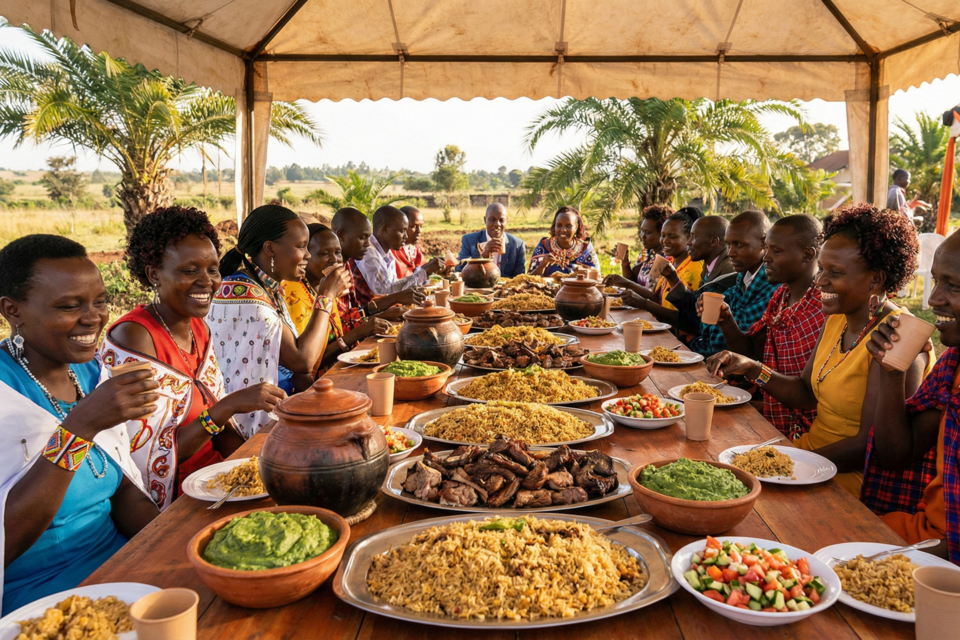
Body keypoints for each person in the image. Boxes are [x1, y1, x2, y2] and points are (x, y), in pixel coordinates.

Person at [707, 203, 931, 496]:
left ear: (876, 279)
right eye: (822, 268)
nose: (820, 280)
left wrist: (786, 464)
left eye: (834, 272)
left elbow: (870, 445)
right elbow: (804, 393)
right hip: (806, 458)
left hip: (845, 480)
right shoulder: (836, 319)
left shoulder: (895, 336)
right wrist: (752, 368)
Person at [0, 235, 159, 614]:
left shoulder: (90, 374)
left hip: (121, 567)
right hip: (44, 599)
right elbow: (7, 540)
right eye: (70, 306)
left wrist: (173, 545)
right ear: (12, 310)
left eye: (100, 301)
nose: (94, 317)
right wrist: (78, 430)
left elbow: (122, 487)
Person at [102, 207, 285, 510]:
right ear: (153, 275)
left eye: (212, 269)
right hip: (173, 499)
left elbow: (220, 431)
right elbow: (146, 458)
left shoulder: (198, 327)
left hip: (214, 481)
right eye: (189, 271)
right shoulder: (135, 337)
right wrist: (230, 406)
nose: (207, 282)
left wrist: (258, 468)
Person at [209, 205, 351, 438]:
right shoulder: (247, 297)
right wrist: (325, 297)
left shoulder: (263, 286)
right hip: (245, 430)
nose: (307, 255)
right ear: (270, 248)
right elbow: (303, 360)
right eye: (301, 247)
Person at [861, 230, 960, 562]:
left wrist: (891, 564)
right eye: (935, 282)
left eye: (954, 286)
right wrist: (892, 374)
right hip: (924, 535)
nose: (933, 299)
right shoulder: (953, 365)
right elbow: (896, 455)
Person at [709, 214, 826, 439]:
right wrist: (726, 320)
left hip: (805, 430)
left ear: (808, 254)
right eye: (767, 249)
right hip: (776, 414)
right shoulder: (782, 296)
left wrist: (754, 369)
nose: (766, 259)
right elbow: (752, 353)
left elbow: (806, 395)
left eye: (776, 251)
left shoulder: (821, 308)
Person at [283, 223, 395, 376]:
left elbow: (339, 325)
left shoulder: (323, 285)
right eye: (324, 253)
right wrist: (357, 334)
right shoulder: (294, 294)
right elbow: (309, 362)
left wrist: (376, 318)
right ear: (305, 256)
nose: (334, 260)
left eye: (338, 252)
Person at [689, 211, 779, 357]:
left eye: (738, 244)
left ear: (764, 243)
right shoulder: (743, 277)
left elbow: (746, 342)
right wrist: (705, 302)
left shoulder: (773, 286)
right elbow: (723, 306)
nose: (730, 253)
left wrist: (723, 317)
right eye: (728, 244)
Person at [609, 208, 703, 335]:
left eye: (672, 236)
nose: (665, 240)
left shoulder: (694, 268)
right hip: (659, 326)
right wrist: (627, 283)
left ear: (688, 238)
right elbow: (655, 296)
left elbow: (688, 319)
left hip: (678, 335)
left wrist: (643, 303)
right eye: (663, 235)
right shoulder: (667, 260)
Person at [331, 207, 423, 336]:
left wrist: (386, 312)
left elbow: (354, 312)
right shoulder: (332, 274)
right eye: (362, 238)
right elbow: (338, 326)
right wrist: (383, 314)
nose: (368, 244)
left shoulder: (345, 267)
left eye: (368, 238)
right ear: (341, 235)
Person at [344, 206, 444, 308]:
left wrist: (417, 285)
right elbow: (386, 292)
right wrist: (425, 271)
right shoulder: (368, 254)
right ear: (385, 229)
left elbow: (393, 285)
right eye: (402, 231)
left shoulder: (387, 253)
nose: (405, 236)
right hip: (368, 317)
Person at [665, 215, 737, 337]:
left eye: (693, 237)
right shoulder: (708, 264)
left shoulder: (728, 272)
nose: (688, 243)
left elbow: (699, 318)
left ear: (713, 241)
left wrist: (645, 304)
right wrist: (673, 279)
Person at [457, 203, 527, 278]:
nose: (497, 224)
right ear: (485, 220)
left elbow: (519, 278)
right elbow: (460, 271)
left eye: (501, 220)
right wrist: (483, 257)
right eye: (492, 219)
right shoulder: (469, 240)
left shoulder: (517, 245)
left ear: (506, 221)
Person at [528, 206, 599, 277]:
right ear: (554, 226)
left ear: (576, 227)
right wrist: (542, 265)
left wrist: (581, 271)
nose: (563, 230)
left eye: (568, 226)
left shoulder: (585, 249)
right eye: (559, 225)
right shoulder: (544, 246)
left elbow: (597, 277)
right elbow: (528, 280)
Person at [615, 205, 672, 287]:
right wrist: (625, 259)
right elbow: (632, 281)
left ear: (662, 233)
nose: (642, 236)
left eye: (648, 232)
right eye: (642, 231)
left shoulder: (666, 258)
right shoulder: (647, 253)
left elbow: (652, 293)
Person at [393, 205, 424, 279]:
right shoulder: (392, 252)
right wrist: (425, 270)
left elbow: (421, 266)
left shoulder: (414, 249)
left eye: (421, 226)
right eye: (413, 226)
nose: (419, 231)